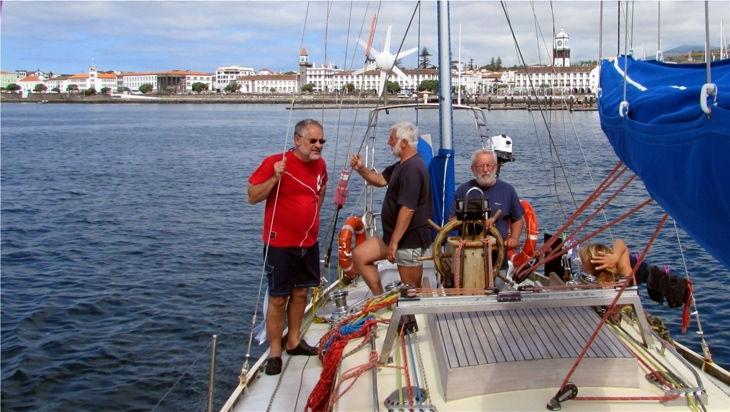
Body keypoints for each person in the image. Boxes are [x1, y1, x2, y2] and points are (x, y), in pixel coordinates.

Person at [247, 119, 328, 376]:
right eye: (313, 141)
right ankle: (274, 351)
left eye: (321, 141)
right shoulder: (275, 162)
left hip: (308, 242)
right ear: (297, 140)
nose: (318, 146)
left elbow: (321, 188)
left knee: (301, 294)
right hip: (280, 243)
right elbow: (252, 196)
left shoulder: (321, 165)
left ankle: (293, 341)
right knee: (278, 298)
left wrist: (312, 213)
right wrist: (274, 177)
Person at [350, 121, 432, 295]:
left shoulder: (413, 169)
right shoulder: (400, 166)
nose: (388, 142)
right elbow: (380, 180)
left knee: (411, 291)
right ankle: (380, 299)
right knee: (359, 255)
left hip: (408, 241)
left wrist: (394, 243)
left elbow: (408, 209)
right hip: (394, 237)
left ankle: (413, 321)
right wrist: (361, 169)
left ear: (403, 143)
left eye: (391, 139)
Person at [454, 149, 524, 249]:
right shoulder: (462, 191)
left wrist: (514, 238)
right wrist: (476, 221)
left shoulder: (508, 190)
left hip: (498, 253)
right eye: (480, 166)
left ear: (495, 167)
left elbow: (517, 219)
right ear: (472, 169)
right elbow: (452, 220)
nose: (485, 170)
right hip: (468, 254)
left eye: (489, 165)